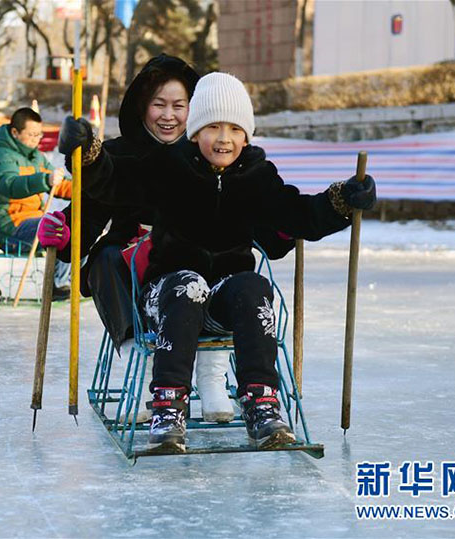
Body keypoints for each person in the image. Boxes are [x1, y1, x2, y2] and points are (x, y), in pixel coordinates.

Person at [56, 72, 377, 452]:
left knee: (253, 285)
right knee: (188, 285)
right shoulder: (168, 166)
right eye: (212, 127)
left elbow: (299, 214)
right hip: (166, 295)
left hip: (224, 299)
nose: (224, 138)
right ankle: (168, 405)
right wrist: (89, 155)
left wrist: (342, 202)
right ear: (194, 133)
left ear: (247, 136)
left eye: (234, 129)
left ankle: (261, 402)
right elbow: (117, 181)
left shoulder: (257, 175)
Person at [39, 54, 292, 424]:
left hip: (200, 268)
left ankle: (212, 377)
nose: (169, 116)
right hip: (137, 267)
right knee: (106, 259)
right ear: (142, 106)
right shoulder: (120, 154)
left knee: (225, 267)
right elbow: (90, 211)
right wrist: (64, 231)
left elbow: (261, 223)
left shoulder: (214, 158)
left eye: (180, 105)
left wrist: (287, 223)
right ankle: (142, 368)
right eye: (159, 105)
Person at [0, 107, 72, 298]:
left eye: (39, 134)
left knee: (77, 224)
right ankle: (58, 284)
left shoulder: (36, 157)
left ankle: (73, 279)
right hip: (11, 228)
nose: (36, 139)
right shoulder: (0, 156)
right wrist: (44, 180)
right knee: (60, 228)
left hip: (35, 221)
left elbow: (60, 184)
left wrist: (85, 189)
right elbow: (10, 184)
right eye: (31, 135)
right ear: (15, 132)